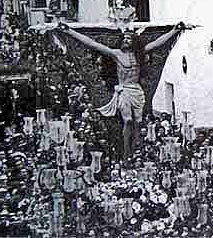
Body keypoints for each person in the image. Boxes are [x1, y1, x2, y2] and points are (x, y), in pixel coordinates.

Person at [55, 21, 186, 163]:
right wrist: (69, 32)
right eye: (124, 38)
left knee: (138, 121)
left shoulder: (139, 54)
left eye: (129, 38)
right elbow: (93, 44)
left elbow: (157, 43)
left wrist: (174, 31)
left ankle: (135, 150)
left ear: (133, 42)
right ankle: (125, 152)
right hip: (124, 90)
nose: (126, 40)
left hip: (136, 90)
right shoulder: (116, 54)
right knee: (128, 120)